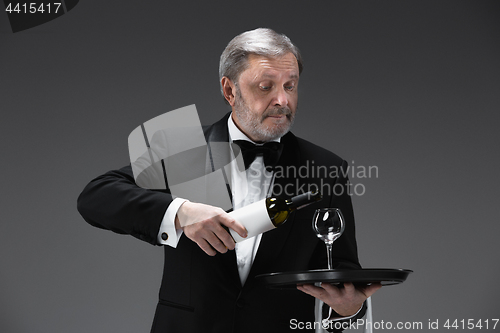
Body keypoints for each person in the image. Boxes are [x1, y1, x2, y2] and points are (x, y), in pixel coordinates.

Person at [77, 28, 380, 333]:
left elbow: (342, 267)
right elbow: (96, 196)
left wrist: (350, 309)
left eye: (291, 85)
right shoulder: (183, 148)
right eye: (266, 86)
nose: (282, 99)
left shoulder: (326, 167)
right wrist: (181, 213)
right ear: (229, 91)